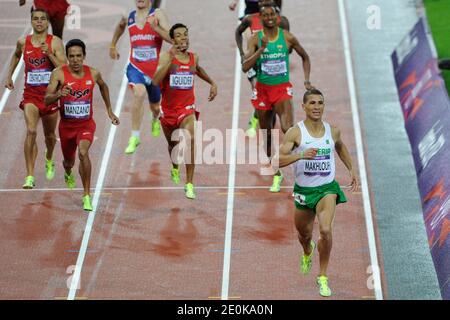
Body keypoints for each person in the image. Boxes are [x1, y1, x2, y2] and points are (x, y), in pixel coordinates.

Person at [273, 89, 359, 297]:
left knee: (326, 230)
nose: (317, 107)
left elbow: (340, 147)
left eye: (320, 102)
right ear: (303, 106)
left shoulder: (333, 131)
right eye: (312, 103)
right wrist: (301, 155)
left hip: (326, 189)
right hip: (304, 191)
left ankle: (322, 276)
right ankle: (306, 250)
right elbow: (277, 161)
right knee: (304, 235)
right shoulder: (295, 132)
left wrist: (351, 168)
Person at [242, 3, 312, 192]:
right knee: (266, 136)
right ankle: (276, 175)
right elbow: (245, 67)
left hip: (281, 89)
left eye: (272, 14)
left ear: (277, 17)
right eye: (266, 15)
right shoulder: (256, 39)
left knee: (288, 127)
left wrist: (306, 80)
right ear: (261, 18)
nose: (270, 18)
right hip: (263, 90)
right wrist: (260, 50)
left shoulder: (287, 37)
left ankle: (302, 165)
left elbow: (305, 56)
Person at [45, 39, 120, 211]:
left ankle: (87, 195)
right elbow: (46, 99)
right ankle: (68, 171)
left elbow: (103, 86)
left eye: (79, 56)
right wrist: (58, 94)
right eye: (71, 56)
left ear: (84, 56)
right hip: (66, 127)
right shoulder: (58, 74)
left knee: (83, 152)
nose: (75, 60)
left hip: (86, 125)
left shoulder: (93, 73)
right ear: (67, 57)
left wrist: (109, 110)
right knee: (68, 161)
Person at [153, 23, 218, 200]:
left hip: (186, 109)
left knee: (192, 138)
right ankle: (175, 167)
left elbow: (197, 69)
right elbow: (155, 82)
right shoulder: (165, 58)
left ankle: (189, 183)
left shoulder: (193, 57)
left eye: (186, 35)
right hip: (168, 111)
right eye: (179, 36)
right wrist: (170, 61)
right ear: (173, 40)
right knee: (173, 145)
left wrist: (212, 82)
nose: (184, 38)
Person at [4, 8, 66, 189]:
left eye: (42, 19)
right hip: (30, 95)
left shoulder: (55, 42)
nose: (39, 22)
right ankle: (29, 175)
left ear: (47, 22)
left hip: (50, 96)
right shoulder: (23, 42)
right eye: (35, 19)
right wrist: (9, 75)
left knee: (50, 135)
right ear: (31, 22)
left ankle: (48, 158)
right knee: (31, 131)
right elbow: (16, 55)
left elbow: (64, 68)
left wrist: (50, 54)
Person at [110, 0, 172, 155]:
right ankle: (134, 136)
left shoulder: (158, 15)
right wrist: (113, 45)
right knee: (139, 93)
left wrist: (156, 27)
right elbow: (120, 26)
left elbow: (172, 39)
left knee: (155, 107)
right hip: (135, 67)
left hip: (154, 71)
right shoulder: (129, 16)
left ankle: (155, 118)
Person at [235, 0, 289, 137]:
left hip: (271, 66)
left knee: (272, 105)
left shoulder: (277, 20)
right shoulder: (250, 19)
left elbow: (285, 41)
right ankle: (253, 123)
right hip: (255, 65)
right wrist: (243, 54)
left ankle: (269, 117)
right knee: (256, 90)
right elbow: (238, 32)